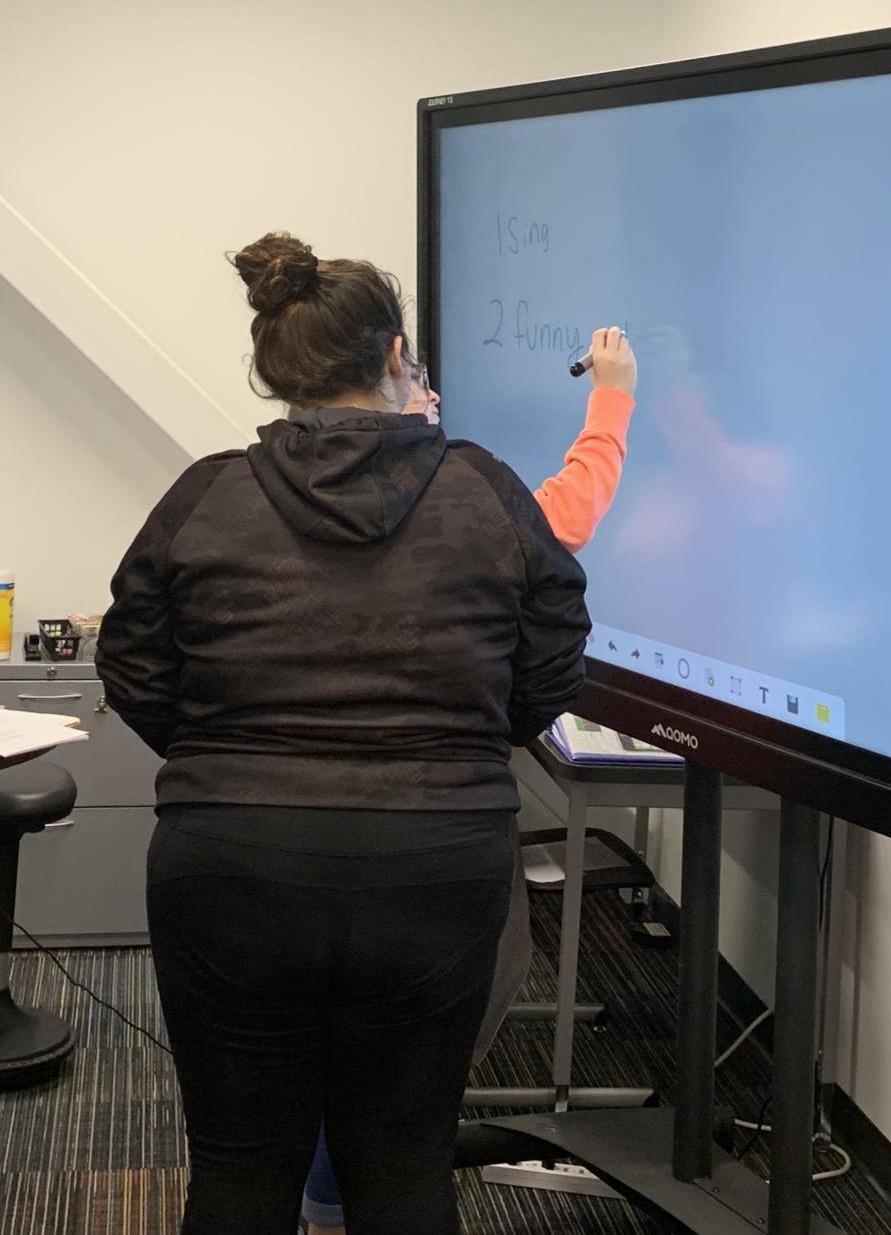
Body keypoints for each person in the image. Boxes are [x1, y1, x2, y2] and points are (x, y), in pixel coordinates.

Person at [96, 232, 594, 1235]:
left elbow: (133, 668)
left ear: (277, 369)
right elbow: (555, 656)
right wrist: (464, 742)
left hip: (230, 862)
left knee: (238, 1169)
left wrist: (221, 757)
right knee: (406, 1164)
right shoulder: (486, 491)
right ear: (396, 356)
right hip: (438, 862)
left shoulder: (205, 494)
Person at [300, 324, 637, 1234]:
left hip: (294, 833)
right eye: (421, 383)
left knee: (324, 1029)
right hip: (436, 832)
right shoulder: (464, 498)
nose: (436, 399)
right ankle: (369, 1173)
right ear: (382, 390)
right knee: (441, 1013)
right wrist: (614, 396)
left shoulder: (263, 494)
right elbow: (570, 511)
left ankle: (328, 1195)